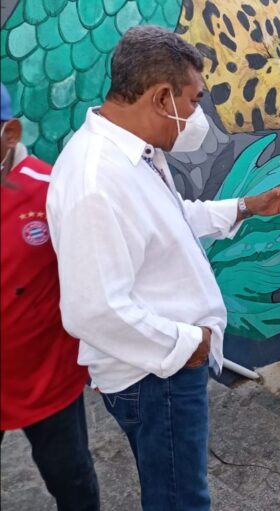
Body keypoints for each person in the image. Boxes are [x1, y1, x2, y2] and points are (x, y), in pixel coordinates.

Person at [45, 26, 280, 510]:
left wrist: (247, 206)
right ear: (161, 96)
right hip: (157, 376)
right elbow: (91, 310)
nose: (197, 117)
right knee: (181, 501)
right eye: (194, 101)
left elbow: (171, 219)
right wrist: (189, 344)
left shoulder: (136, 154)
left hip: (166, 367)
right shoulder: (96, 181)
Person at [1, 84, 100, 510]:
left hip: (47, 381)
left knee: (71, 481)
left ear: (11, 133)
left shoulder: (50, 189)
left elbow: (91, 276)